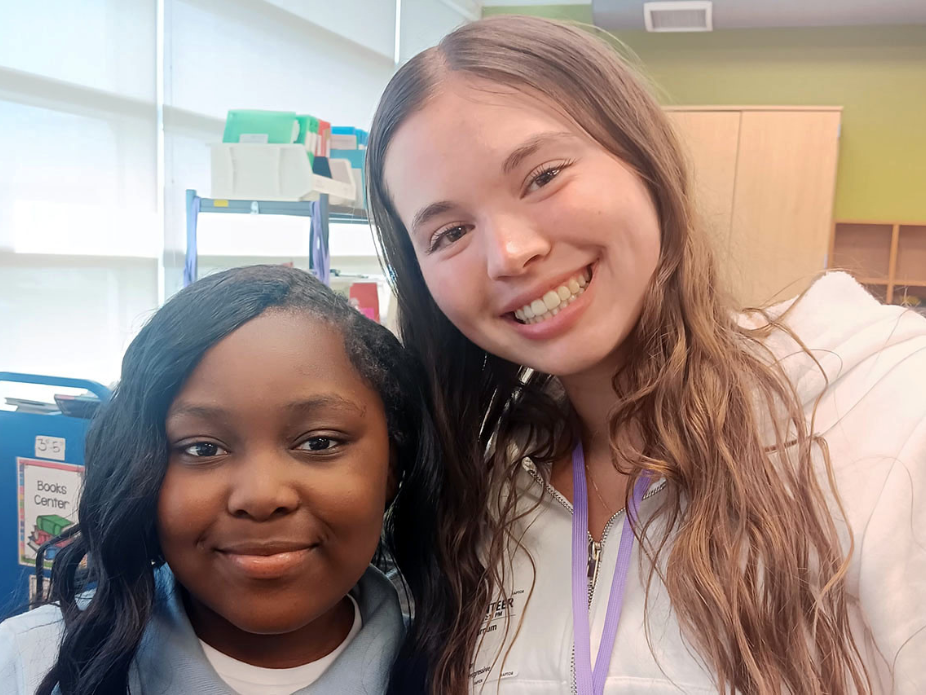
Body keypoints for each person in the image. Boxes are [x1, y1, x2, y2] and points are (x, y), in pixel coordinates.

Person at [365, 14, 926, 695]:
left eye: (544, 176)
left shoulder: (883, 414)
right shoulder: (479, 489)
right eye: (449, 232)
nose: (509, 253)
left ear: (642, 158)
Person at [0, 265, 445, 695]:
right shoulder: (28, 663)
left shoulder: (466, 674)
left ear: (392, 466)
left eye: (318, 443)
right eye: (203, 449)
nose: (261, 496)